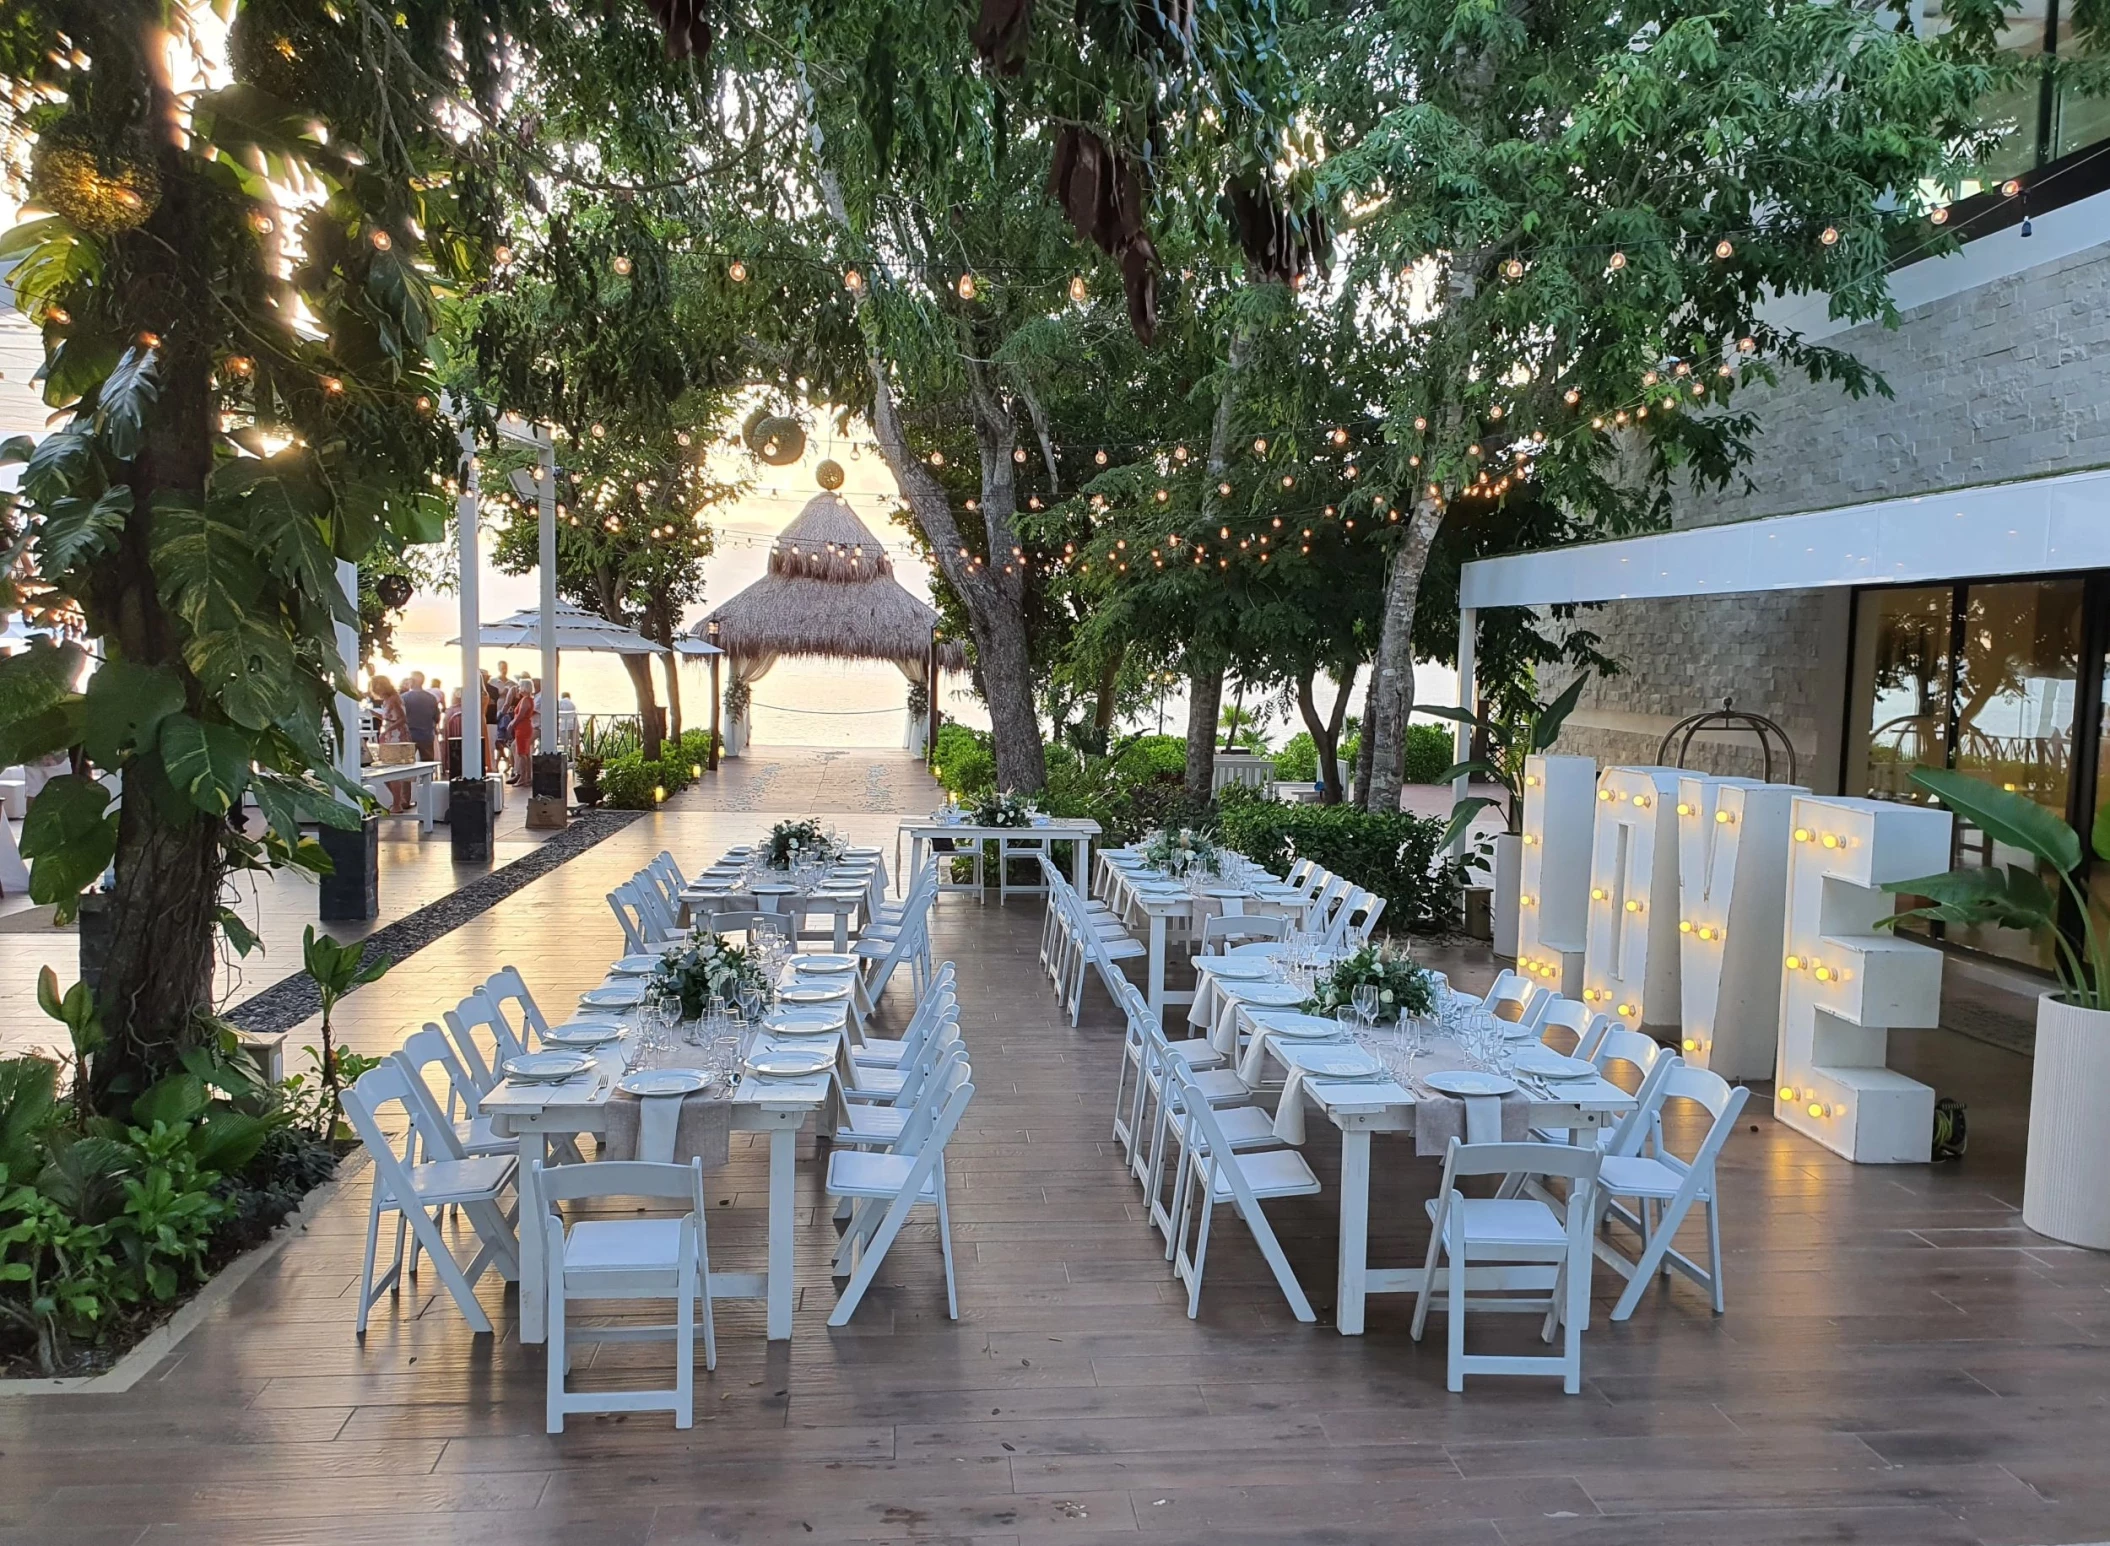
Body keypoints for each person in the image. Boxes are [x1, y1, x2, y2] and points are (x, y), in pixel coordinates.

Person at [368, 675, 413, 813]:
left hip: (395, 736)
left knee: (392, 770)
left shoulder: (394, 698)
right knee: (386, 770)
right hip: (389, 735)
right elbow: (389, 717)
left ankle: (397, 803)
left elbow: (402, 718)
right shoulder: (387, 700)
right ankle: (398, 800)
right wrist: (375, 714)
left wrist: (388, 729)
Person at [400, 671, 439, 766]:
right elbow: (436, 717)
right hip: (426, 735)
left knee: (406, 765)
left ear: (412, 681)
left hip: (409, 735)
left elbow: (400, 717)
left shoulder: (404, 698)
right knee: (428, 765)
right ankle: (428, 776)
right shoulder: (431, 698)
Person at [510, 676, 537, 786]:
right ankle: (527, 777)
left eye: (520, 686)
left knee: (521, 753)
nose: (518, 688)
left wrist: (512, 724)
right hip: (524, 727)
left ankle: (522, 778)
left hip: (523, 728)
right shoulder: (528, 699)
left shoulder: (526, 700)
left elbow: (521, 715)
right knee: (525, 753)